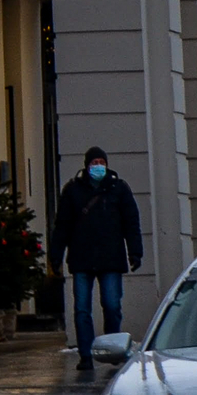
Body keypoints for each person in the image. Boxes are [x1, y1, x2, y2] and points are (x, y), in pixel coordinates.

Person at [49, 147, 142, 372]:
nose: (98, 165)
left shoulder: (119, 189)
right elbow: (62, 226)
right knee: (82, 309)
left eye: (101, 161)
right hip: (82, 258)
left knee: (111, 306)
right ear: (87, 164)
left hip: (111, 258)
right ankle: (86, 355)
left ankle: (111, 349)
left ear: (106, 164)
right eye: (94, 162)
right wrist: (55, 256)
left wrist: (135, 252)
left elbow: (131, 222)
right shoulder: (73, 190)